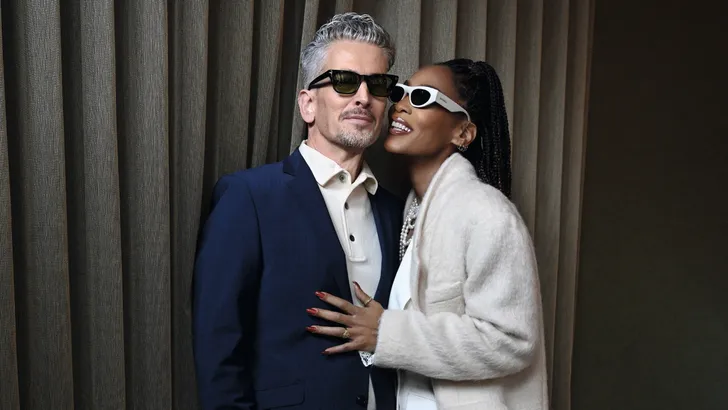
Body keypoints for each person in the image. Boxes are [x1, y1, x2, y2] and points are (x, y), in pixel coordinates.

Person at [306, 59, 549, 409]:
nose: (401, 105)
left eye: (422, 97)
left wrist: (386, 332)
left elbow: (512, 340)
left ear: (462, 133)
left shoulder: (487, 212)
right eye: (400, 93)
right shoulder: (409, 213)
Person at [192, 13, 403, 410]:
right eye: (344, 81)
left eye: (377, 85)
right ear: (308, 104)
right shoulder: (249, 196)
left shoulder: (394, 211)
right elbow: (219, 345)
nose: (363, 97)